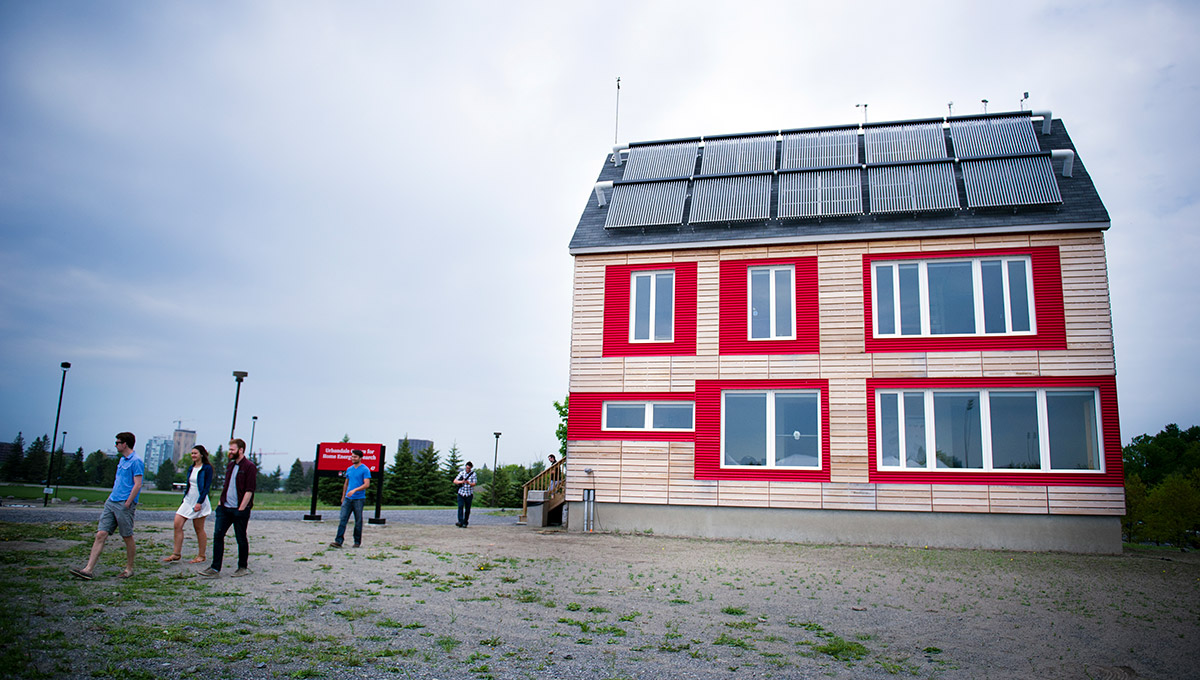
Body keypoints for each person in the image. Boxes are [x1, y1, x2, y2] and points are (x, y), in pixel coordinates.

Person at [69, 432, 143, 580]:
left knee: (127, 536)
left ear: (125, 444)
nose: (115, 445)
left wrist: (128, 502)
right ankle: (88, 569)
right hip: (112, 501)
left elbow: (138, 484)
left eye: (117, 442)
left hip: (124, 503)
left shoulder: (136, 461)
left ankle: (129, 569)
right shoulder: (122, 460)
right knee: (101, 534)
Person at [198, 438, 256, 578]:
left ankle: (242, 567)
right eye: (229, 449)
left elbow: (249, 490)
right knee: (218, 536)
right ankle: (215, 568)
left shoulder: (249, 467)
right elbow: (226, 486)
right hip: (224, 508)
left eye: (232, 449)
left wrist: (241, 509)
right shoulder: (230, 466)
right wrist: (220, 504)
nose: (229, 452)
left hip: (239, 510)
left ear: (240, 450)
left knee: (240, 537)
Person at [164, 445, 213, 564]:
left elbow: (206, 487)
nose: (193, 455)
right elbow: (189, 484)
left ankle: (201, 555)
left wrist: (199, 502)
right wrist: (184, 499)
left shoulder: (207, 468)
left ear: (201, 454)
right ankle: (176, 553)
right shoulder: (191, 468)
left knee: (198, 528)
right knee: (177, 524)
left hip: (199, 500)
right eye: (192, 453)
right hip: (188, 499)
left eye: (195, 453)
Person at [330, 449, 371, 548]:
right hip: (348, 499)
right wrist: (343, 496)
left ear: (360, 458)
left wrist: (355, 490)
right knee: (343, 519)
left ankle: (357, 541)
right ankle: (338, 541)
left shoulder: (365, 469)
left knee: (358, 521)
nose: (353, 458)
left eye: (355, 457)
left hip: (359, 499)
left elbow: (366, 484)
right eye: (352, 456)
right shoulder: (349, 469)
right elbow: (346, 483)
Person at [453, 461, 477, 528]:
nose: (467, 469)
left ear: (471, 468)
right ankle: (460, 521)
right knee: (460, 507)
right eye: (466, 468)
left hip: (469, 493)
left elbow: (474, 483)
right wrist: (461, 482)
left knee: (467, 509)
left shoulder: (473, 474)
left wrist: (469, 483)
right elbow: (455, 481)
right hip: (461, 493)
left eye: (469, 468)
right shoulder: (462, 473)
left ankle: (465, 522)